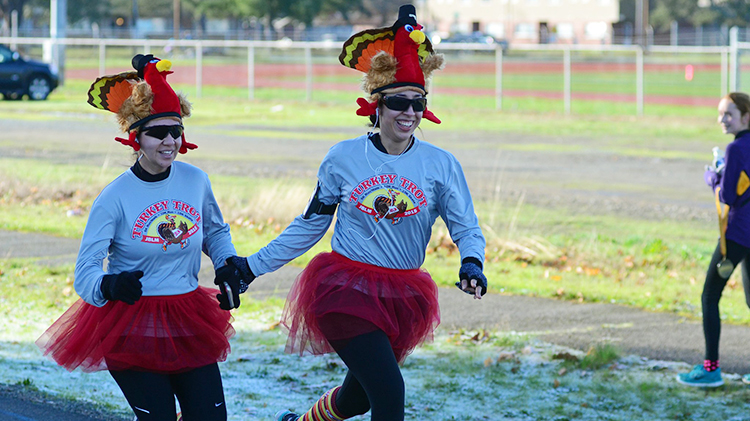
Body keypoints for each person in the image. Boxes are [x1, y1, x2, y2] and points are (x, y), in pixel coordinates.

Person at [219, 5, 487, 421]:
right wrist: (251, 267)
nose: (410, 113)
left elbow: (465, 224)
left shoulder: (441, 164)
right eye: (399, 102)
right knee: (389, 392)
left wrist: (472, 260)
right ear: (376, 104)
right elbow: (311, 224)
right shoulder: (343, 158)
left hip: (402, 295)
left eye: (418, 103)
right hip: (344, 289)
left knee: (359, 397)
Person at [36, 54, 242, 420]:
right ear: (135, 138)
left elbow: (214, 232)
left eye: (176, 131)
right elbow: (85, 274)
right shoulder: (114, 197)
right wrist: (111, 285)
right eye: (158, 132)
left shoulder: (196, 181)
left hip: (188, 318)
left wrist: (226, 264)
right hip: (133, 326)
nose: (169, 141)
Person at [677, 92, 750, 387]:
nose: (723, 120)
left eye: (729, 114)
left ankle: (710, 369)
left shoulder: (736, 150)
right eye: (721, 114)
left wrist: (714, 178)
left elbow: (728, 196)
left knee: (709, 296)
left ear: (746, 117)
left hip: (737, 234)